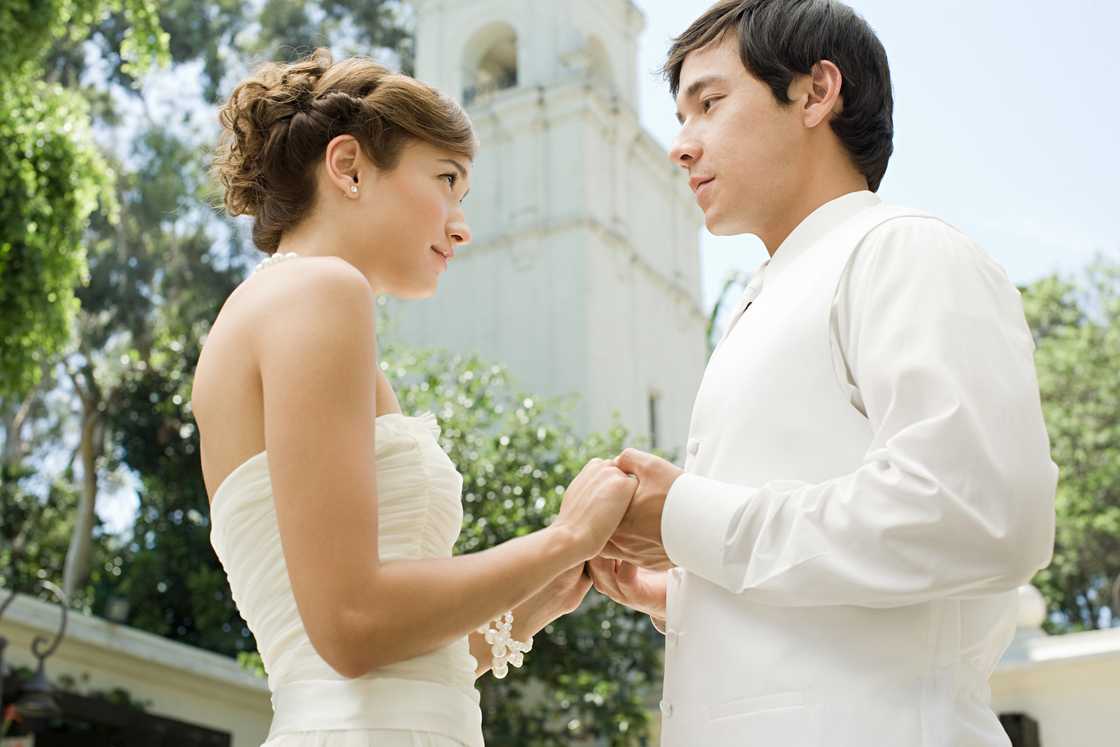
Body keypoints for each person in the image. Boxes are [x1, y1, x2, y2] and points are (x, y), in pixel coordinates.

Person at [588, 2, 1058, 745]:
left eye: (709, 103)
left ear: (816, 92)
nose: (681, 146)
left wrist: (686, 517)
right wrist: (687, 591)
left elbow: (982, 513)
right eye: (680, 117)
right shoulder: (760, 303)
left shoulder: (904, 251)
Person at [191, 48, 637, 747]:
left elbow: (385, 665)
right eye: (447, 181)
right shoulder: (321, 291)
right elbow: (352, 627)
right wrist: (563, 539)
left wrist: (533, 601)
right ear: (349, 166)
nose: (462, 225)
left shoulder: (275, 306)